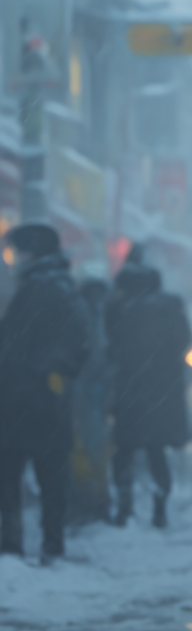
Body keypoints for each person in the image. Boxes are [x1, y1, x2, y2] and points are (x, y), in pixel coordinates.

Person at [0, 223, 90, 561]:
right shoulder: (62, 286)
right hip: (48, 395)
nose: (14, 258)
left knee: (10, 470)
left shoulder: (38, 288)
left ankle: (12, 542)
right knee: (51, 472)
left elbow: (13, 340)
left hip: (23, 395)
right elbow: (80, 342)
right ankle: (53, 541)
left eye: (18, 251)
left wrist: (34, 368)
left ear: (32, 253)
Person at [106, 244, 192, 528]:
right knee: (156, 450)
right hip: (161, 390)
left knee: (125, 449)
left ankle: (124, 507)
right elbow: (184, 341)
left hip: (129, 388)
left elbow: (110, 346)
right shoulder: (170, 305)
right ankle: (159, 509)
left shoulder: (117, 306)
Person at [70, 269, 113, 523]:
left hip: (81, 389)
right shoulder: (108, 316)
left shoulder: (77, 314)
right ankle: (97, 496)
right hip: (96, 390)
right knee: (96, 446)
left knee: (82, 446)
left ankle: (87, 496)